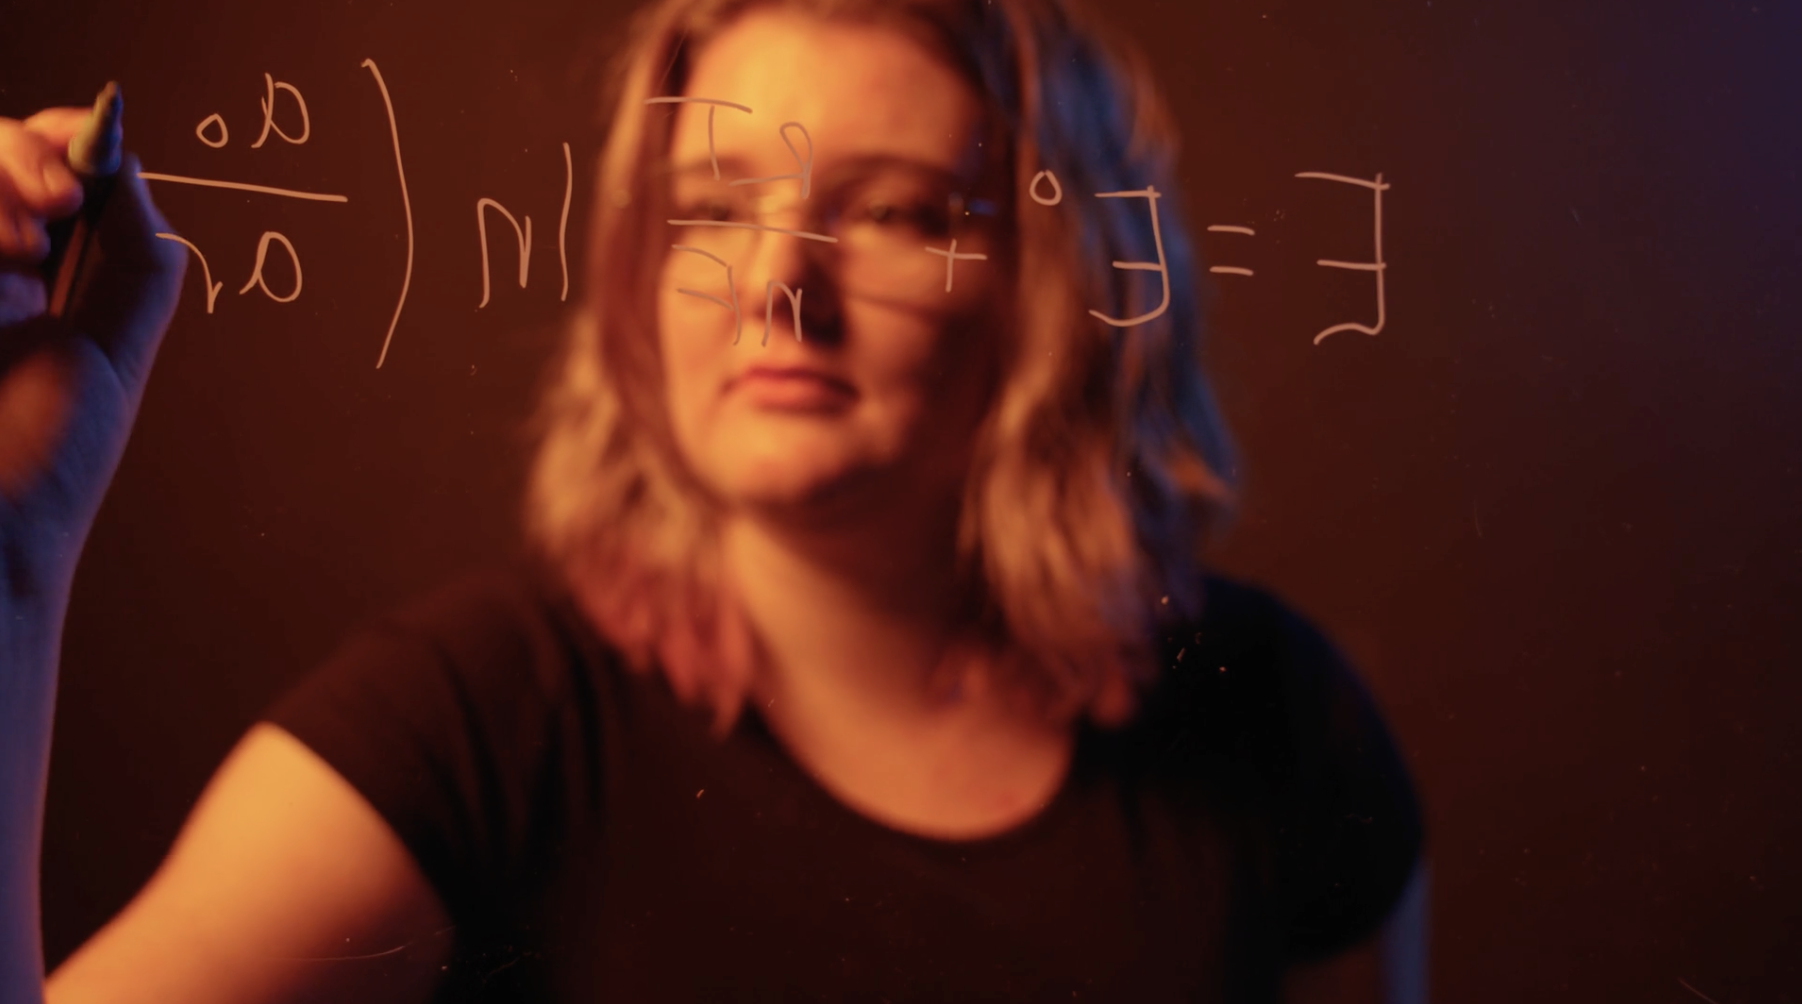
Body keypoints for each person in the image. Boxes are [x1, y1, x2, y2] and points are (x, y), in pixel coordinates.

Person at [0, 0, 1428, 999]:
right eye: (711, 207)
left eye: (891, 210)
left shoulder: (1274, 722)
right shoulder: (475, 728)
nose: (773, 287)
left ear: (1059, 286)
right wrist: (14, 552)